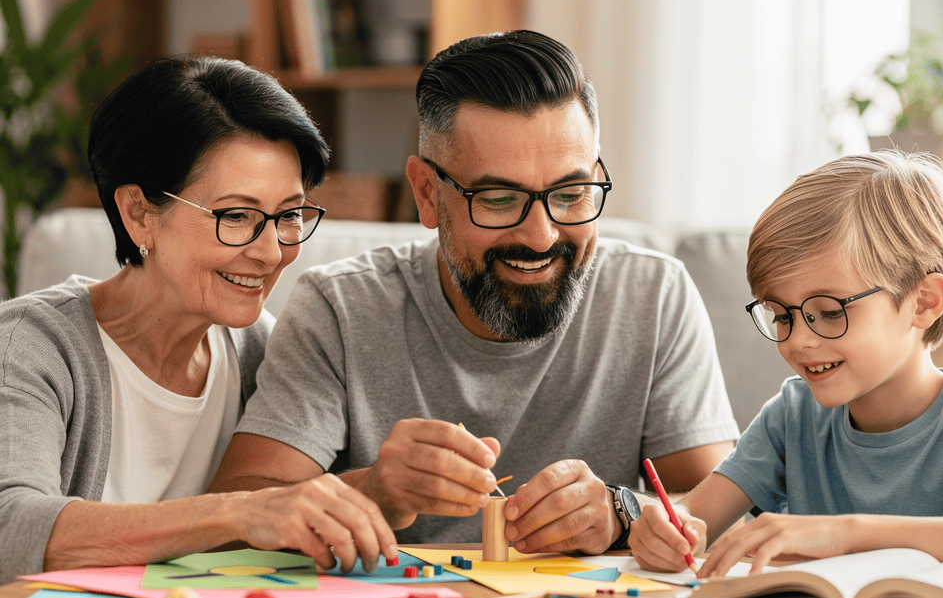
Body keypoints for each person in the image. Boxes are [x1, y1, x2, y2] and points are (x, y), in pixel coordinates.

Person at [209, 29, 738, 565]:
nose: (541, 236)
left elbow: (729, 512)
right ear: (426, 193)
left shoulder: (652, 297)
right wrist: (371, 489)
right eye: (499, 199)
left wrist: (621, 512)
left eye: (570, 194)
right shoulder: (340, 308)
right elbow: (230, 521)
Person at [0, 56, 397, 598]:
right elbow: (12, 528)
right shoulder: (30, 347)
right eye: (237, 216)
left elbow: (295, 534)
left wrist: (386, 487)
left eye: (289, 216)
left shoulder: (261, 351)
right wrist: (239, 511)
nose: (270, 252)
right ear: (138, 214)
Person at [629, 150, 943, 581]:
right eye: (782, 316)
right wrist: (666, 531)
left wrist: (849, 533)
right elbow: (694, 519)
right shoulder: (792, 418)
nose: (797, 340)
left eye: (830, 312)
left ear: (924, 302)